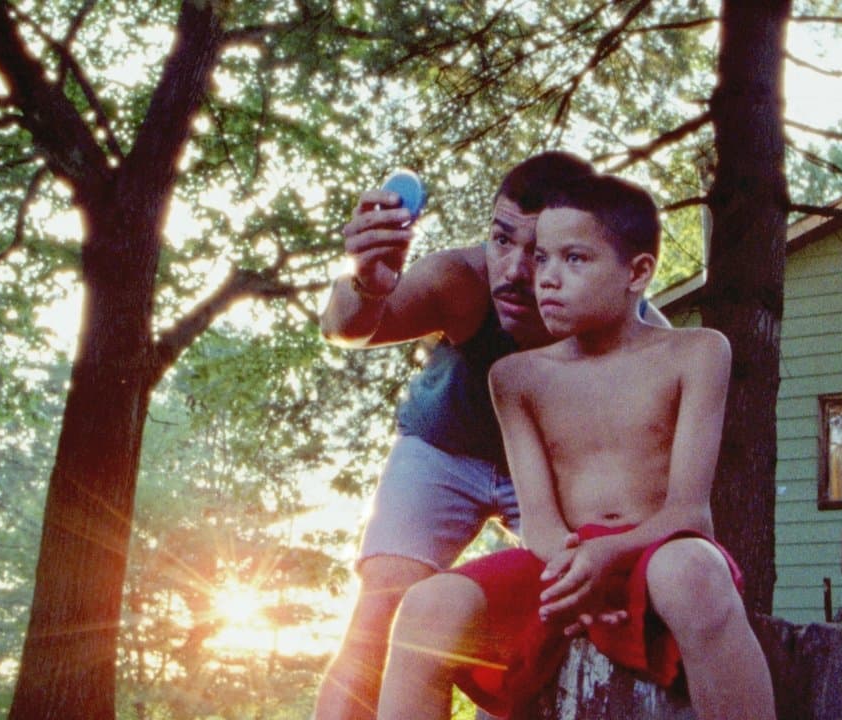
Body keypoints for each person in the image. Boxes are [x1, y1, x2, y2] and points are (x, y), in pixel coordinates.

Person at [375, 173, 775, 720]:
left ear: (637, 273)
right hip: (563, 560)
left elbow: (690, 514)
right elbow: (538, 522)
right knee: (425, 608)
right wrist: (575, 571)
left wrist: (607, 555)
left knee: (691, 573)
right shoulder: (515, 377)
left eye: (575, 259)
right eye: (543, 258)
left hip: (660, 551)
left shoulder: (697, 353)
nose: (546, 278)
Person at [315, 153, 673, 720]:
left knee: (563, 614)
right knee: (380, 609)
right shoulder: (461, 280)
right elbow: (346, 328)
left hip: (554, 467)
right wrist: (365, 282)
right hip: (444, 449)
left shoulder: (637, 332)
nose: (513, 271)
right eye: (502, 239)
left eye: (542, 252)